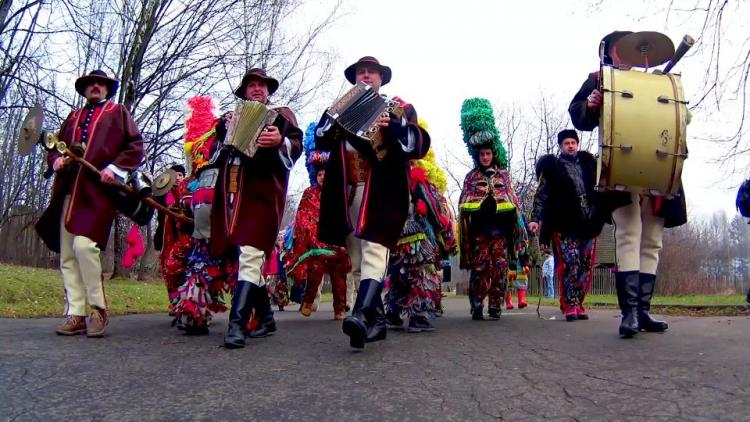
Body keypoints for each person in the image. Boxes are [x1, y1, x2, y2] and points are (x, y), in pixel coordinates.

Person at [569, 31, 687, 337]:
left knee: (652, 239)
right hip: (619, 166)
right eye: (620, 48)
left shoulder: (655, 82)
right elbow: (577, 115)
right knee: (629, 233)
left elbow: (676, 118)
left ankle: (643, 311)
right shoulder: (599, 79)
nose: (626, 53)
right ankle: (629, 313)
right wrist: (591, 105)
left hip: (657, 166)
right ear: (609, 52)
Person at [315, 56, 430, 349]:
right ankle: (375, 323)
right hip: (349, 192)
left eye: (372, 72)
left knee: (375, 251)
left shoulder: (397, 109)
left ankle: (358, 316)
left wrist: (393, 127)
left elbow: (417, 145)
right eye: (361, 72)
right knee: (357, 260)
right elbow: (321, 140)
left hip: (383, 193)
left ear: (381, 78)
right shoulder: (340, 109)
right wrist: (334, 114)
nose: (366, 76)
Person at [35, 70, 144, 337]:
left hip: (96, 194)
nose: (96, 87)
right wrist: (55, 161)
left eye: (101, 84)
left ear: (108, 89)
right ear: (84, 89)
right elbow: (55, 148)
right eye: (90, 84)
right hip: (68, 192)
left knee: (84, 247)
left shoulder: (117, 113)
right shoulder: (72, 117)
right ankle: (76, 313)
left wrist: (116, 168)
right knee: (68, 255)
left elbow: (135, 146)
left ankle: (97, 309)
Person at [211, 68, 303, 349]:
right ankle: (265, 317)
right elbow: (214, 153)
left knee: (250, 254)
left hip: (263, 196)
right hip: (234, 196)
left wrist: (280, 142)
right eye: (251, 85)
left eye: (261, 85)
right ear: (244, 91)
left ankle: (236, 325)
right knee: (243, 257)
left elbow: (296, 144)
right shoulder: (230, 118)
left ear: (268, 90)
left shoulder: (281, 115)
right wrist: (222, 133)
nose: (257, 89)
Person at [171, 96, 238, 335]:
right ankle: (196, 313)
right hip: (208, 198)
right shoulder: (206, 143)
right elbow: (194, 176)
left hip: (228, 199)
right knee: (204, 254)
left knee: (235, 256)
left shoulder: (228, 140)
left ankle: (252, 313)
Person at [458, 98, 529, 321]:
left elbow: (513, 203)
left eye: (488, 154)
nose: (486, 157)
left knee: (499, 270)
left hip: (500, 233)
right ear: (478, 156)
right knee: (480, 270)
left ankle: (496, 306)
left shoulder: (504, 176)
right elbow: (463, 204)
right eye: (482, 154)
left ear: (493, 154)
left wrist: (519, 231)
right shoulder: (471, 177)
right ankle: (477, 304)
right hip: (480, 233)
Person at [529, 129, 605, 321]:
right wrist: (535, 219)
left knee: (585, 265)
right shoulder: (553, 167)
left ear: (577, 144)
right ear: (561, 146)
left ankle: (579, 302)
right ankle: (569, 303)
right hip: (564, 224)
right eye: (566, 143)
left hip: (588, 222)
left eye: (573, 142)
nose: (570, 146)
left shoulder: (589, 164)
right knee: (571, 263)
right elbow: (541, 195)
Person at [385, 143, 457, 333]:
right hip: (406, 239)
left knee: (407, 275)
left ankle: (403, 313)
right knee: (413, 275)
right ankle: (410, 315)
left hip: (410, 239)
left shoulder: (422, 184)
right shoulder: (395, 181)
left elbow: (438, 213)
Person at [284, 124, 351, 319]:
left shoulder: (340, 193)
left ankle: (339, 309)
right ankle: (308, 300)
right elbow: (303, 217)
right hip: (317, 241)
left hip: (337, 241)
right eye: (320, 175)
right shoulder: (309, 194)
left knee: (339, 276)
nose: (323, 178)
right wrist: (312, 237)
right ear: (316, 176)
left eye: (326, 175)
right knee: (315, 272)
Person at [153, 164, 192, 313]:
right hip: (166, 239)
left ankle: (188, 302)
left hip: (185, 237)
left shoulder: (188, 191)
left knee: (184, 270)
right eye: (174, 175)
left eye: (180, 175)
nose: (177, 178)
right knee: (168, 270)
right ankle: (175, 302)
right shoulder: (162, 194)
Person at [263, 236, 290, 311]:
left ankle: (281, 305)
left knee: (281, 290)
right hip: (271, 273)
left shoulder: (284, 251)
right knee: (271, 289)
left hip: (281, 273)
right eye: (278, 240)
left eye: (281, 240)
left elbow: (288, 261)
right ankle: (268, 305)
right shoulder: (271, 249)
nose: (280, 241)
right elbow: (266, 262)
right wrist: (264, 272)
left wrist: (287, 264)